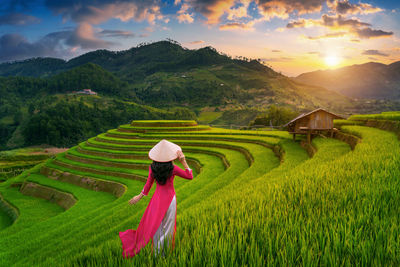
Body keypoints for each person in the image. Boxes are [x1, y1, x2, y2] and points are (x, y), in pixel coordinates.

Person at [119, 139, 193, 258]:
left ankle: (157, 253)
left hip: (157, 200)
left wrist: (140, 196)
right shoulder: (173, 168)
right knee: (168, 226)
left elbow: (148, 184)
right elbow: (189, 176)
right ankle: (165, 254)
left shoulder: (153, 167)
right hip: (170, 200)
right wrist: (183, 161)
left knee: (156, 225)